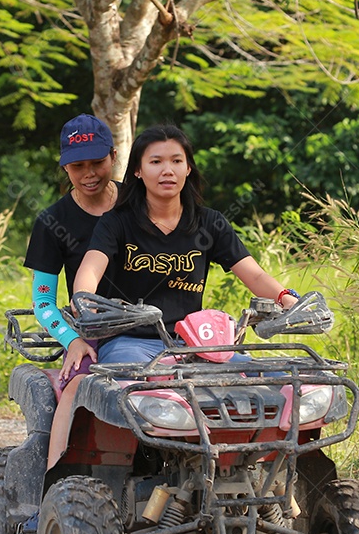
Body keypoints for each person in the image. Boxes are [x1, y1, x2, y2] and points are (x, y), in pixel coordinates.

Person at [71, 123, 297, 365]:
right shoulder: (116, 222)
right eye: (156, 162)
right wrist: (84, 302)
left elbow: (255, 276)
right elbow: (90, 270)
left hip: (195, 342)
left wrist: (287, 299)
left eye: (177, 161)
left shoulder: (210, 223)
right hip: (128, 343)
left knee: (268, 375)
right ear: (138, 170)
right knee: (137, 381)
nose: (168, 170)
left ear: (188, 168)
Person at [24, 113, 119, 381]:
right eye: (78, 166)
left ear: (113, 157)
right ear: (65, 166)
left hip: (148, 330)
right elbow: (43, 302)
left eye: (97, 162)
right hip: (90, 333)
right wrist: (72, 340)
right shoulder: (51, 222)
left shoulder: (138, 205)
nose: (89, 174)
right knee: (79, 384)